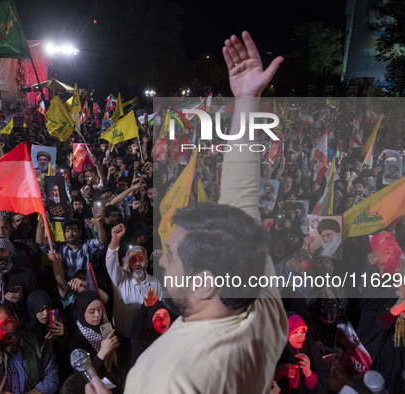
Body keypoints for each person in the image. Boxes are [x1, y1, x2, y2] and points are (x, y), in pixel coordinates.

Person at [125, 31, 287, 394]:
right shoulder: (258, 302)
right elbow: (240, 194)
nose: (161, 262)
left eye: (171, 255)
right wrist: (246, 99)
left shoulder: (173, 379)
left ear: (205, 281)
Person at [0, 284, 60, 394]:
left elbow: (52, 380)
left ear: (16, 318)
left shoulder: (39, 345)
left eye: (7, 322)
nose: (3, 331)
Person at [274, 314, 328, 393]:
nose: (301, 336)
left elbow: (323, 385)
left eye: (303, 331)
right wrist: (278, 372)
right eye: (295, 332)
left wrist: (309, 374)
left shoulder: (310, 349)